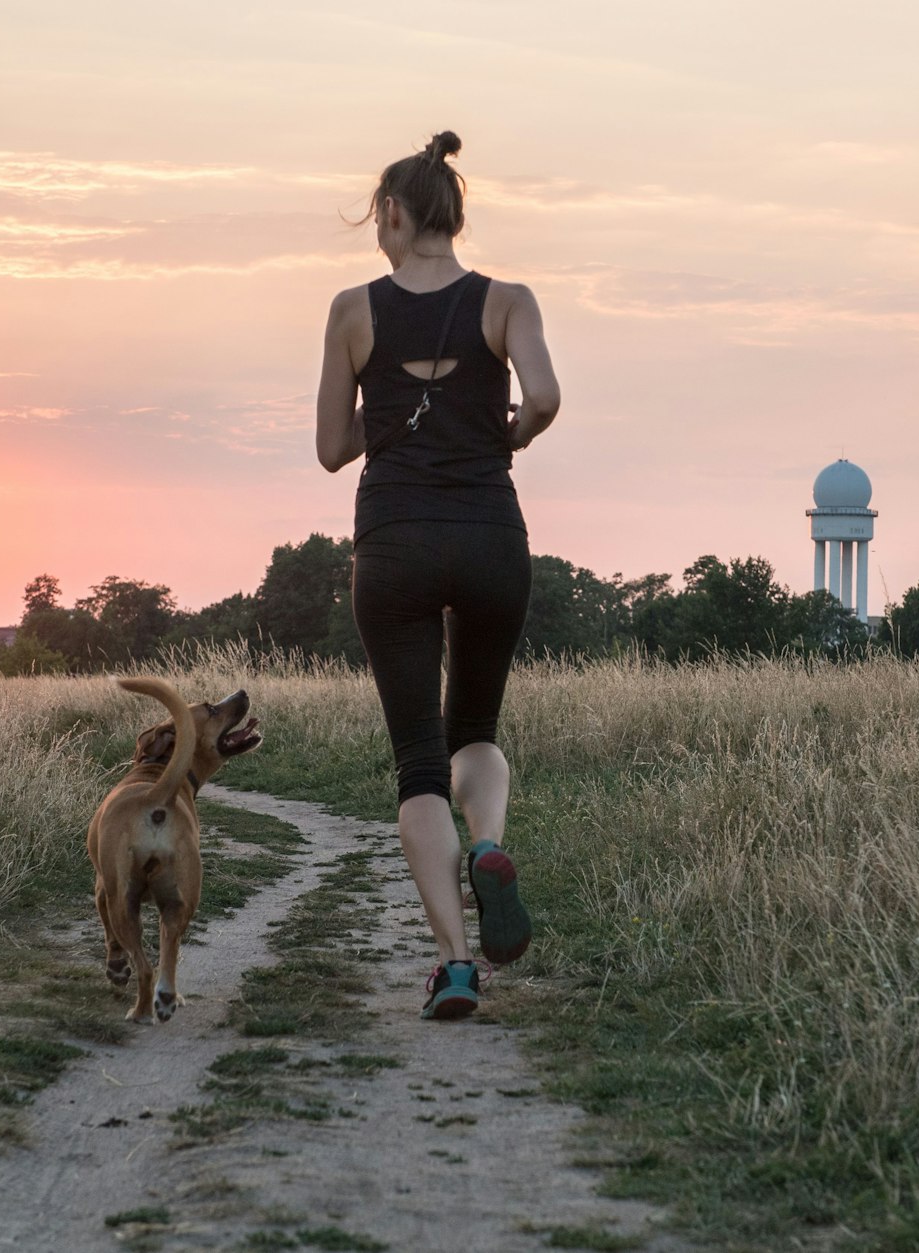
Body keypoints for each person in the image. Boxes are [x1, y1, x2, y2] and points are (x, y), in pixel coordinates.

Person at [314, 131, 562, 1020]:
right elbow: (543, 397)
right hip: (492, 534)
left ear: (392, 214)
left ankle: (457, 963)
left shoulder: (353, 309)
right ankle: (489, 841)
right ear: (454, 216)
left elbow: (330, 450)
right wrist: (507, 436)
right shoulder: (508, 300)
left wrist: (389, 420)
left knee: (418, 761)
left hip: (394, 542)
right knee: (477, 729)